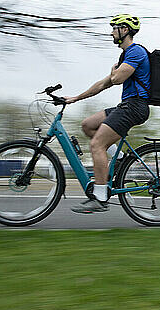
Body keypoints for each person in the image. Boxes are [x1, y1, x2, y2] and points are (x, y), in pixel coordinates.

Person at [63, 14, 150, 213]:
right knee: (88, 125)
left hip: (135, 106)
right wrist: (76, 98)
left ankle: (100, 197)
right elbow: (103, 84)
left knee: (97, 144)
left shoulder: (135, 52)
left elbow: (116, 79)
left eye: (114, 28)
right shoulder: (126, 56)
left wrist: (114, 72)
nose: (111, 32)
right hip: (126, 105)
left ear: (125, 30)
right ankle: (119, 158)